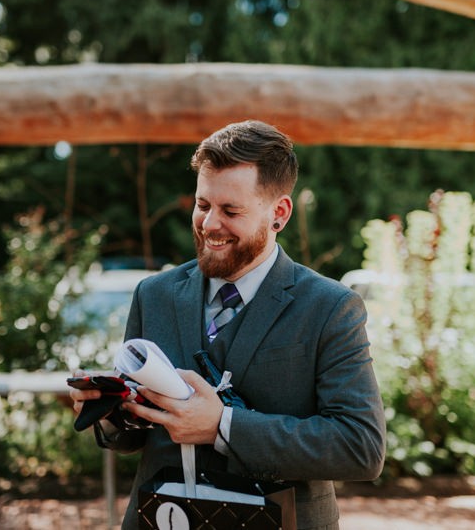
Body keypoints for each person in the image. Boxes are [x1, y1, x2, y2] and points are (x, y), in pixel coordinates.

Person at [69, 120, 386, 529]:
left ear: (280, 213)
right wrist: (110, 409)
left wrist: (223, 425)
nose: (209, 225)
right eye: (203, 205)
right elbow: (134, 437)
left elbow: (360, 447)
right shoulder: (154, 294)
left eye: (230, 211)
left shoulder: (331, 307)